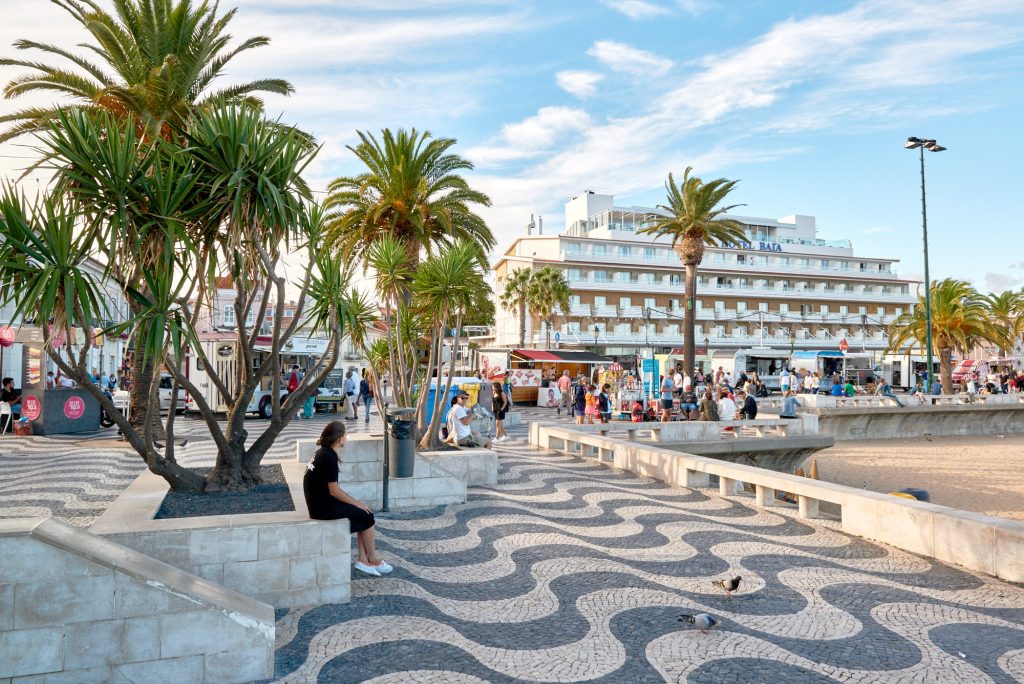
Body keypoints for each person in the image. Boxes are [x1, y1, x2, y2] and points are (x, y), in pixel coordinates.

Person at [303, 421, 392, 577]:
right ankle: (372, 557)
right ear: (340, 439)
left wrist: (357, 503)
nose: (346, 438)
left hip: (319, 503)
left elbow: (333, 490)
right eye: (346, 435)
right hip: (321, 508)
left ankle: (363, 559)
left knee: (361, 512)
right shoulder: (328, 457)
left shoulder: (323, 452)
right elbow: (334, 491)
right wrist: (357, 503)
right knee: (366, 514)